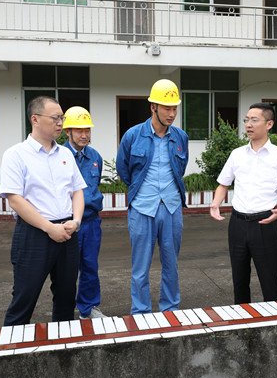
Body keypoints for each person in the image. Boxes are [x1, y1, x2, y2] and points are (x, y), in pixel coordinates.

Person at [0, 96, 86, 325]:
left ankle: (64, 343)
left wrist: (76, 221)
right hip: (34, 234)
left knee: (66, 298)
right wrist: (49, 228)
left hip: (67, 232)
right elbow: (15, 200)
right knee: (24, 298)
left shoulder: (66, 154)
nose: (60, 123)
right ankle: (12, 345)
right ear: (35, 119)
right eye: (55, 118)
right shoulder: (15, 155)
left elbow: (77, 191)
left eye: (62, 118)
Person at [209, 103, 277, 304]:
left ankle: (274, 320)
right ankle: (242, 320)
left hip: (265, 224)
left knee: (270, 282)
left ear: (269, 124)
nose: (248, 125)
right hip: (238, 224)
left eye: (254, 120)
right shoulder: (237, 154)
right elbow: (223, 184)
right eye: (246, 120)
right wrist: (215, 203)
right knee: (239, 281)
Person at [117, 79, 189, 315]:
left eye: (174, 108)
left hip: (171, 207)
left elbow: (180, 168)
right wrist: (142, 190)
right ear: (153, 107)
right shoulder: (133, 135)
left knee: (171, 265)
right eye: (167, 108)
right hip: (142, 207)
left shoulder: (181, 137)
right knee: (140, 267)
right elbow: (123, 169)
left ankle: (170, 308)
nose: (172, 114)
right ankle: (141, 311)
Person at [62, 106, 106, 320]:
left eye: (87, 130)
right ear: (67, 131)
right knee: (66, 270)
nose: (84, 135)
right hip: (67, 223)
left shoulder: (95, 156)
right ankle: (64, 311)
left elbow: (95, 185)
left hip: (91, 221)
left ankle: (88, 309)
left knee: (90, 266)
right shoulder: (59, 156)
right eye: (79, 130)